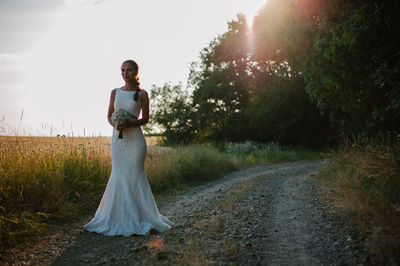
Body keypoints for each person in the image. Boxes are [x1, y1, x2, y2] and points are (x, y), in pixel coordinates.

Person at [84, 59, 173, 236]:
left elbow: (145, 119)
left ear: (136, 72)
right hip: (118, 140)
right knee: (119, 173)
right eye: (123, 70)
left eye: (129, 70)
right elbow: (109, 116)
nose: (125, 73)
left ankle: (140, 216)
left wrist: (130, 123)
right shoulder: (114, 92)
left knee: (135, 174)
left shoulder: (142, 94)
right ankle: (117, 216)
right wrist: (116, 125)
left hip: (135, 142)